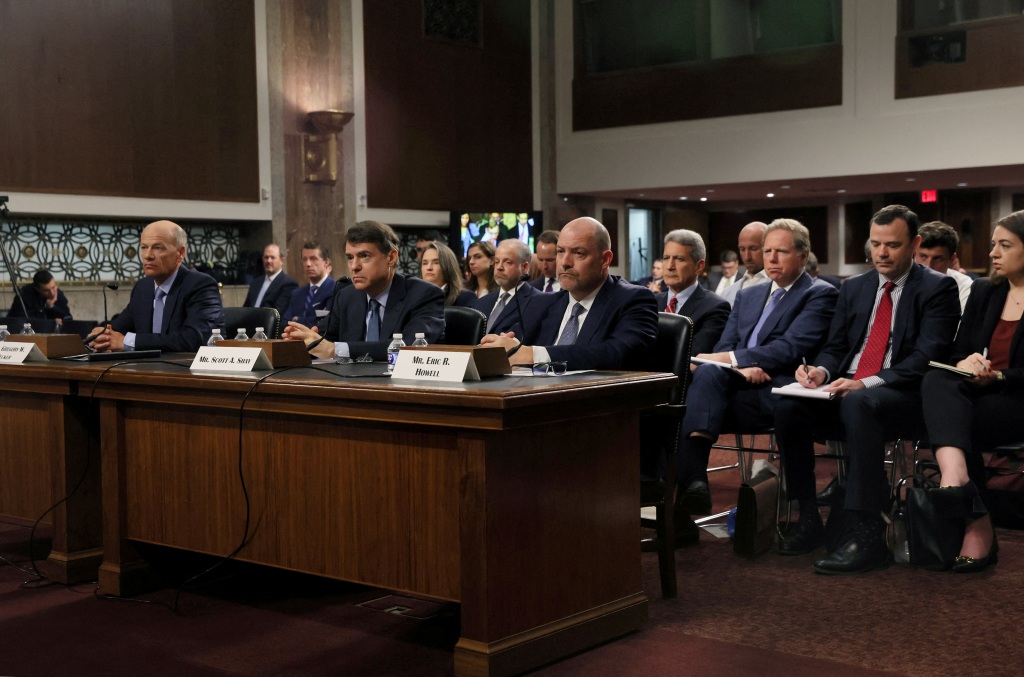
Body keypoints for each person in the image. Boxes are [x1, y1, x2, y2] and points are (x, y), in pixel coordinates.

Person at [773, 205, 960, 573]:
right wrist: (820, 373)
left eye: (892, 244)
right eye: (876, 244)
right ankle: (807, 516)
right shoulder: (855, 286)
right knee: (788, 406)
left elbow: (926, 358)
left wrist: (863, 382)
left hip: (903, 393)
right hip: (848, 389)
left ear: (914, 243)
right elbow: (836, 347)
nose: (882, 253)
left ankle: (867, 531)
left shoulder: (938, 288)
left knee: (860, 403)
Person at [665, 220, 837, 543]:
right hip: (737, 388)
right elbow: (724, 347)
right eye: (767, 251)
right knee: (688, 391)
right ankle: (687, 498)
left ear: (803, 255)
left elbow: (790, 348)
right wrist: (736, 366)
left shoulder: (819, 293)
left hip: (782, 389)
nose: (771, 259)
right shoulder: (749, 294)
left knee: (703, 382)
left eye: (781, 252)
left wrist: (735, 361)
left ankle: (692, 490)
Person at [918, 209, 1024, 573]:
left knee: (960, 420)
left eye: (1005, 245)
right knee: (936, 377)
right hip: (975, 391)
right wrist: (967, 363)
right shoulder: (984, 290)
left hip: (1015, 399)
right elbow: (958, 349)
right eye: (994, 244)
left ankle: (976, 520)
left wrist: (998, 378)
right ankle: (957, 482)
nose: (993, 253)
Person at [479, 216, 658, 371]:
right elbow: (516, 348)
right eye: (560, 252)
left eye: (578, 253)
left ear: (605, 260)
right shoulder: (542, 303)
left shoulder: (633, 299)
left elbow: (616, 354)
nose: (564, 262)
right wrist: (501, 347)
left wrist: (534, 354)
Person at [283, 220, 445, 361]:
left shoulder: (424, 295)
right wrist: (301, 341)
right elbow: (323, 341)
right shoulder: (346, 296)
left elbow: (409, 348)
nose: (354, 266)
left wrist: (335, 350)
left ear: (391, 257)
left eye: (365, 256)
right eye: (350, 258)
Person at [89, 220, 224, 352]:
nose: (148, 256)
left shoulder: (200, 285)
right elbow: (118, 328)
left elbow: (193, 339)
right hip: (146, 370)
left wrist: (127, 342)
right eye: (144, 247)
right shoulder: (143, 288)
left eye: (157, 248)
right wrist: (101, 337)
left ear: (180, 253)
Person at [654, 229, 730, 355]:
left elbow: (690, 356)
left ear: (699, 266)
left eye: (679, 259)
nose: (669, 266)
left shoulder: (716, 307)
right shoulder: (650, 302)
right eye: (666, 258)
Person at [475, 239, 553, 335]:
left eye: (507, 262)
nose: (499, 267)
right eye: (496, 262)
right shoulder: (481, 303)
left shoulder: (537, 302)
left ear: (524, 267)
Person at [915, 221, 974, 312]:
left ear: (952, 259)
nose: (928, 266)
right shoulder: (899, 281)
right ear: (913, 254)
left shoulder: (963, 285)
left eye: (937, 258)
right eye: (923, 256)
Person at [283, 241, 338, 328]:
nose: (308, 264)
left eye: (313, 259)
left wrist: (297, 320)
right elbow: (285, 322)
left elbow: (325, 323)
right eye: (304, 259)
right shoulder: (297, 294)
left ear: (326, 262)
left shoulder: (335, 289)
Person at [720, 221, 769, 305]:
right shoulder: (727, 293)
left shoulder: (782, 287)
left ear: (768, 248)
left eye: (753, 249)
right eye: (742, 249)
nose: (747, 257)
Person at [243, 243, 298, 316]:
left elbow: (276, 312)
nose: (268, 261)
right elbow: (245, 309)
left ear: (282, 261)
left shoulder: (289, 284)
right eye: (266, 257)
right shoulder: (255, 283)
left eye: (272, 257)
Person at [420, 241, 476, 307]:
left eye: (436, 263)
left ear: (448, 266)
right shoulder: (414, 299)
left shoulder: (465, 298)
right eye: (425, 263)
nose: (429, 268)